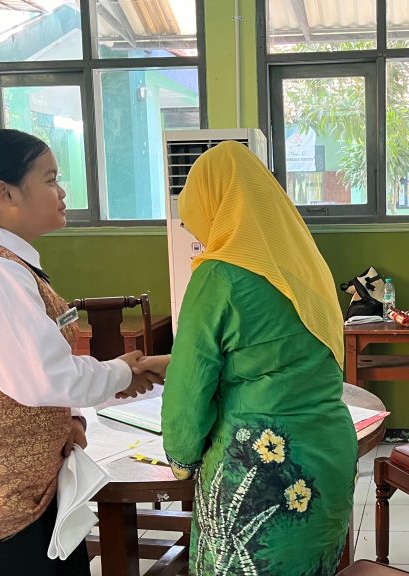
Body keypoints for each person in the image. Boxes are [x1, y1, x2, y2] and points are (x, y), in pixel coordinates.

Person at [0, 128, 156, 576]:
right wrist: (123, 371)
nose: (61, 193)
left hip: (26, 496)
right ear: (4, 193)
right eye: (50, 179)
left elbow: (29, 372)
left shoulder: (8, 263)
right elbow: (46, 378)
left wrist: (71, 418)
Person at [133, 141, 357, 575]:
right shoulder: (307, 267)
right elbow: (277, 355)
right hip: (328, 455)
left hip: (261, 468)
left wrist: (181, 461)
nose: (197, 233)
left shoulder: (218, 274)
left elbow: (187, 396)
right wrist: (173, 363)